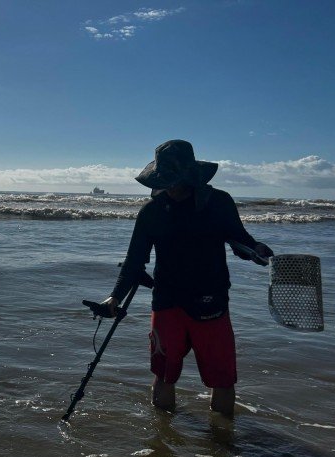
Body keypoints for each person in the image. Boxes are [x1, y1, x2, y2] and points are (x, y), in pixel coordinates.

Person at [101, 139, 273, 416]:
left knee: (223, 379)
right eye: (164, 178)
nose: (170, 186)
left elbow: (240, 241)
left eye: (174, 178)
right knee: (164, 376)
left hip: (212, 300)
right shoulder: (152, 211)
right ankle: (162, 444)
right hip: (168, 302)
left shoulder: (218, 202)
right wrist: (115, 295)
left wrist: (256, 250)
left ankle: (223, 447)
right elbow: (134, 260)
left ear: (190, 174)